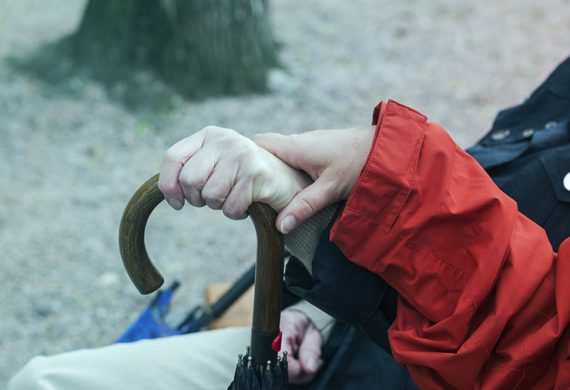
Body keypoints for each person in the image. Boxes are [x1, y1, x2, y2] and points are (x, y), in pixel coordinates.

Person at [10, 57, 570, 388]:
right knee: (45, 381)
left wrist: (388, 174)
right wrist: (319, 309)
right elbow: (500, 212)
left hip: (397, 371)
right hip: (339, 340)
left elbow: (537, 349)